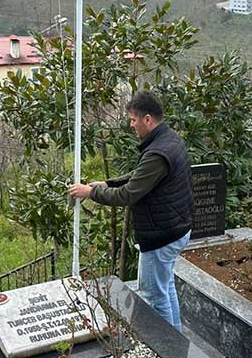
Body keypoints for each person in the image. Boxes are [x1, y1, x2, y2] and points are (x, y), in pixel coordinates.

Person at [68, 90, 193, 332]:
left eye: (133, 120)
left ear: (147, 119)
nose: (131, 125)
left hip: (161, 236)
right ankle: (178, 341)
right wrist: (107, 183)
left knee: (154, 296)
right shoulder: (169, 139)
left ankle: (168, 346)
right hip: (176, 228)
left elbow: (128, 194)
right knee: (165, 287)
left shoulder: (158, 152)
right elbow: (141, 176)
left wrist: (90, 192)